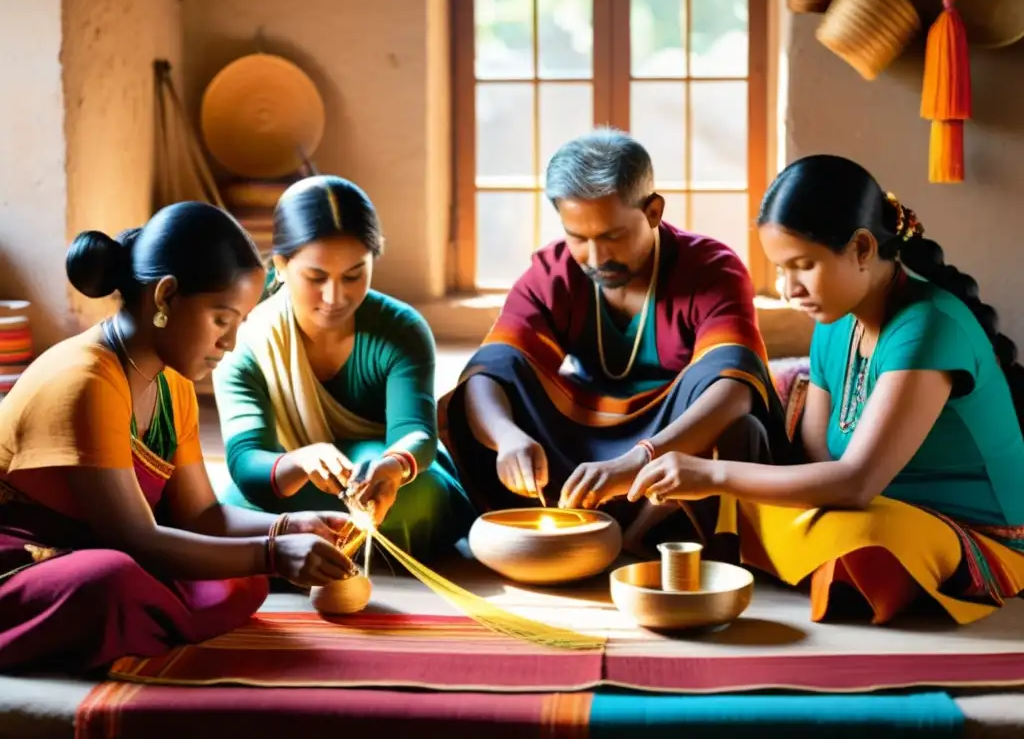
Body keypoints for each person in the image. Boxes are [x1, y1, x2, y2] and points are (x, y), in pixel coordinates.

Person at [627, 154, 1024, 624]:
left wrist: (712, 477)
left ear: (860, 247)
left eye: (803, 265)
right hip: (868, 505)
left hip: (968, 529)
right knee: (753, 485)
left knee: (864, 541)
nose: (789, 288)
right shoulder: (836, 322)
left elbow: (853, 483)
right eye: (779, 269)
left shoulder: (928, 327)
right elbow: (816, 461)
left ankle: (792, 562)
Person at [0, 202, 357, 674]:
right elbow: (134, 538)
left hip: (98, 545)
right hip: (23, 558)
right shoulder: (86, 378)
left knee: (244, 576)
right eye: (221, 319)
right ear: (165, 297)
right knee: (113, 581)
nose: (229, 343)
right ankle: (139, 617)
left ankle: (142, 620)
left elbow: (201, 515)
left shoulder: (173, 386)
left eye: (239, 326)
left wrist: (289, 525)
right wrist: (272, 552)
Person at [440, 128, 791, 551]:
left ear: (654, 212)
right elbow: (491, 370)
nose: (596, 257)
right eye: (578, 237)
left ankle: (645, 534)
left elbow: (735, 391)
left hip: (672, 441)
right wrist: (507, 438)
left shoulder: (711, 269)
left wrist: (642, 456)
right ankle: (592, 528)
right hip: (583, 438)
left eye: (612, 236)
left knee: (730, 399)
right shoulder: (553, 273)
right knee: (496, 377)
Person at [213, 175, 474, 559]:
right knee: (235, 504)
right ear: (282, 265)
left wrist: (390, 467)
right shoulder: (249, 340)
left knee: (424, 494)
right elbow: (248, 461)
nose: (335, 297)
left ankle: (307, 540)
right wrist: (299, 460)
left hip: (382, 482)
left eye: (354, 275)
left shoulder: (401, 329)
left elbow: (417, 435)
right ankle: (339, 540)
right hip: (291, 474)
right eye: (316, 278)